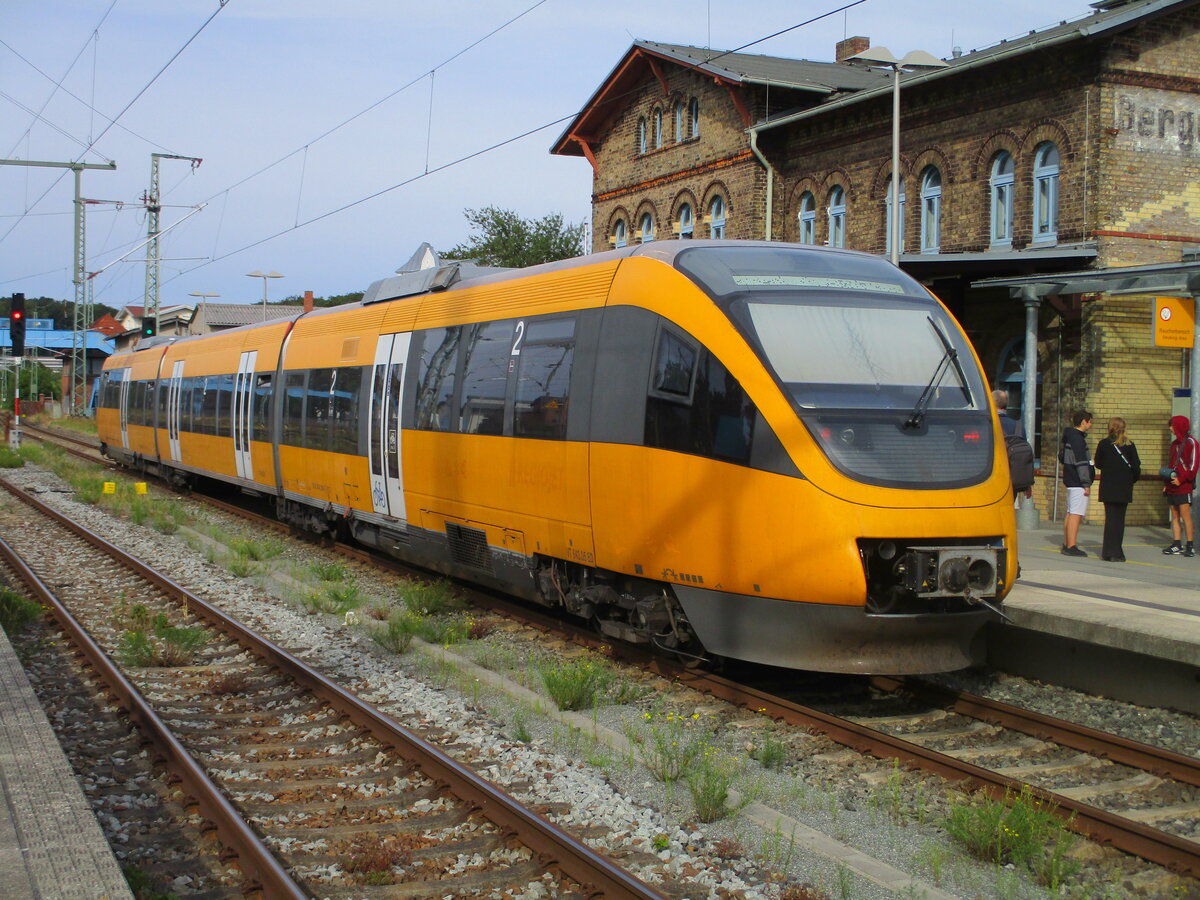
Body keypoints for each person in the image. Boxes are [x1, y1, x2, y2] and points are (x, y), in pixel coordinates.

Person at [1094, 417, 1140, 562]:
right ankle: (1118, 552)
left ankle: (1108, 552)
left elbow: (1098, 464)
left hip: (1108, 487)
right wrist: (1130, 480)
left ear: (1110, 427)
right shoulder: (1130, 444)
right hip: (1124, 487)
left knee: (1110, 519)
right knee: (1120, 520)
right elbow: (1136, 467)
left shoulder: (1103, 444)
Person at [1162, 414, 1198, 557]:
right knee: (1175, 515)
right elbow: (1171, 465)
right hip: (1171, 485)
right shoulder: (1174, 444)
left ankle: (1190, 545)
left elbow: (1194, 467)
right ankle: (1177, 543)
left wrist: (1181, 479)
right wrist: (1166, 483)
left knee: (1185, 515)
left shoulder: (1192, 443)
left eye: (1172, 425)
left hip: (1183, 485)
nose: (1171, 428)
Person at [1060, 410, 1094, 557]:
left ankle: (1067, 543)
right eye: (1090, 421)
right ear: (1083, 422)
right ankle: (1072, 545)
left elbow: (1061, 456)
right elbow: (1081, 462)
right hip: (1078, 481)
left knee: (1070, 512)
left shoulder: (1069, 437)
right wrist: (1086, 482)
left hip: (1070, 479)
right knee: (1076, 514)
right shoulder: (1078, 439)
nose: (1091, 424)